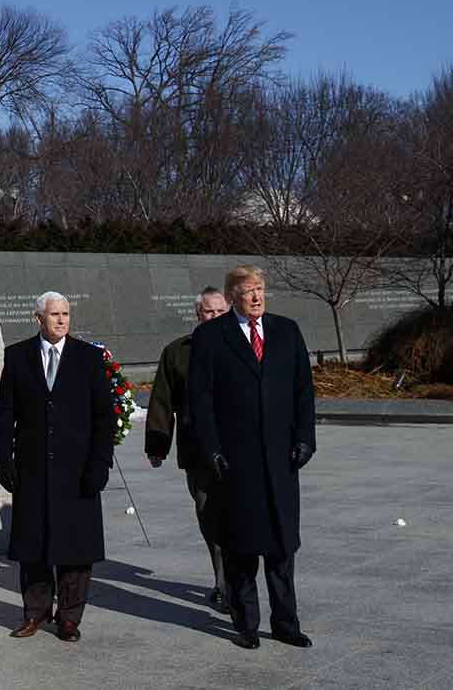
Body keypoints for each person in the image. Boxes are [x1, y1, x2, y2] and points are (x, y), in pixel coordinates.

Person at [189, 265, 317, 650]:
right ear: (232, 298)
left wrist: (305, 439)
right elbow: (201, 400)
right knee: (241, 546)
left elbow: (303, 391)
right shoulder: (212, 336)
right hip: (235, 462)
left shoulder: (286, 331)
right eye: (248, 291)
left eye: (260, 289)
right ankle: (246, 624)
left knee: (281, 547)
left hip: (280, 460)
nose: (257, 297)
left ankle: (286, 623)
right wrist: (211, 448)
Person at [0, 291, 115, 643]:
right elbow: (5, 413)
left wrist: (99, 465)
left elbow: (103, 417)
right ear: (38, 319)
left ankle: (69, 619)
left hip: (77, 472)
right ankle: (35, 614)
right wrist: (4, 458)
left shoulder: (88, 358)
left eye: (65, 314)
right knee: (34, 547)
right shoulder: (17, 357)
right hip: (32, 471)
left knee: (75, 550)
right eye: (54, 314)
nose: (61, 320)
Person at [146, 285, 233, 609]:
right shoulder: (177, 352)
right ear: (198, 315)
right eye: (208, 312)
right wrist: (157, 443)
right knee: (208, 514)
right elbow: (162, 399)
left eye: (220, 311)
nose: (213, 317)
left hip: (240, 449)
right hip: (198, 452)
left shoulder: (244, 346)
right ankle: (223, 582)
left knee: (239, 517)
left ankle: (240, 582)